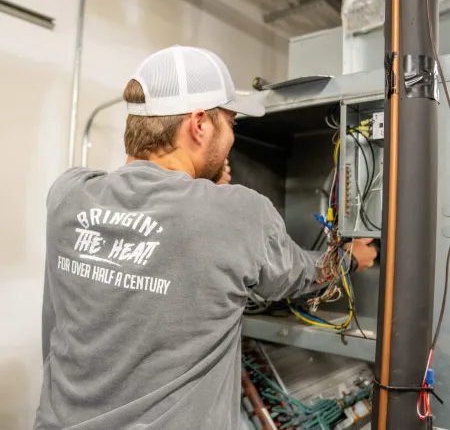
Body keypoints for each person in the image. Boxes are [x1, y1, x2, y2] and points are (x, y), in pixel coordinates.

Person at [34, 46, 377, 430]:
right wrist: (350, 257)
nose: (232, 139)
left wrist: (201, 190)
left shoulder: (68, 193)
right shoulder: (236, 211)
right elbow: (299, 276)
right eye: (231, 124)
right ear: (199, 124)